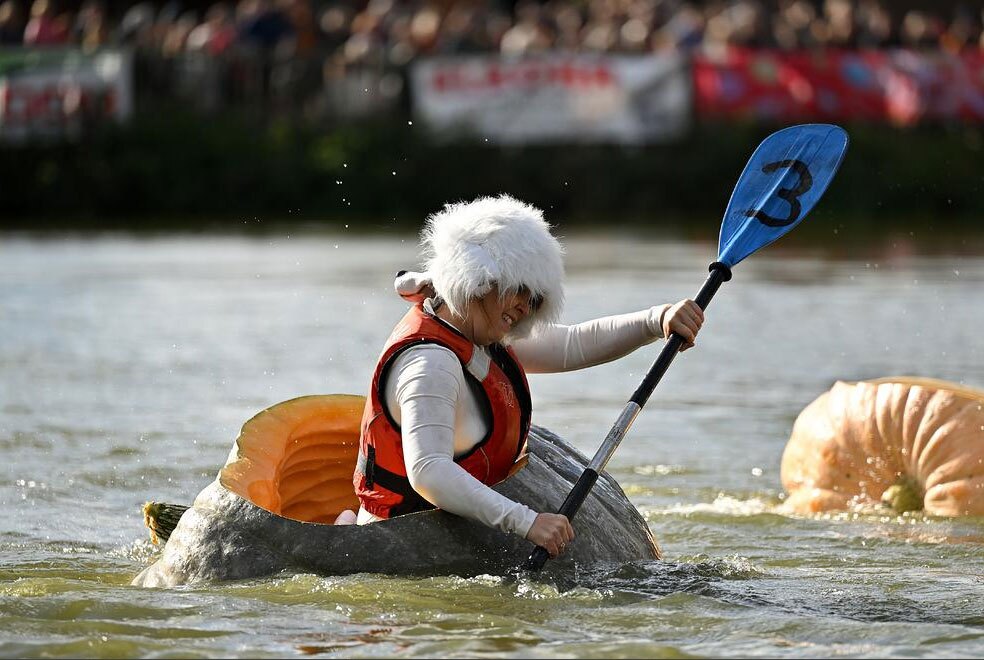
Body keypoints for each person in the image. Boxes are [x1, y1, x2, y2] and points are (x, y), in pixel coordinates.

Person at [341, 195, 704, 559]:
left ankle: (342, 521)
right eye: (518, 289)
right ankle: (344, 526)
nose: (524, 306)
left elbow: (572, 344)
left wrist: (657, 320)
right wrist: (526, 521)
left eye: (534, 298)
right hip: (401, 546)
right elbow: (429, 472)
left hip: (448, 535)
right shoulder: (430, 364)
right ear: (480, 276)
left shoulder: (478, 333)